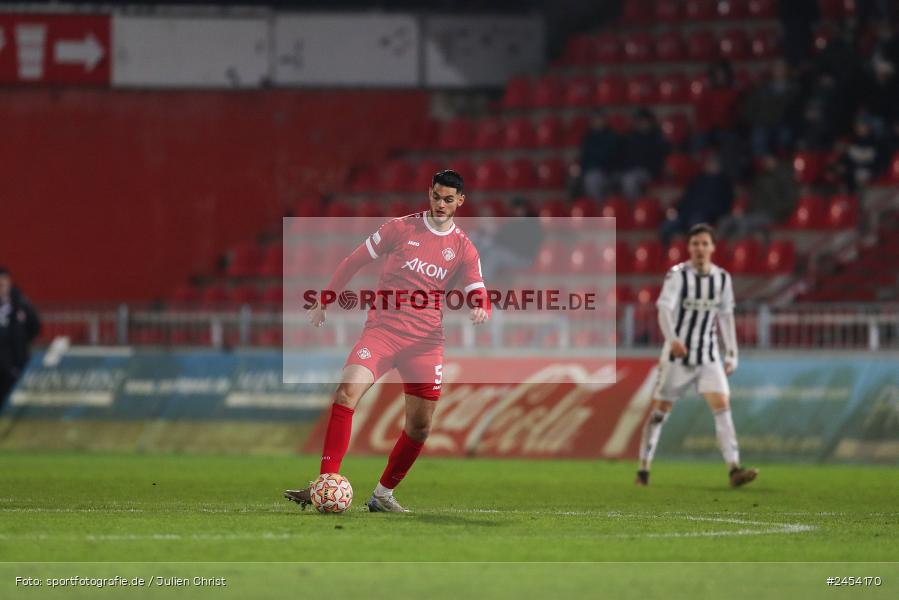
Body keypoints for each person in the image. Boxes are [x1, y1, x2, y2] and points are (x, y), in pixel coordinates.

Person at [284, 170, 491, 512]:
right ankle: (324, 483)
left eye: (448, 199)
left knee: (420, 427)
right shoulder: (401, 228)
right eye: (436, 196)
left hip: (425, 343)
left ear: (460, 202)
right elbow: (354, 260)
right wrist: (325, 299)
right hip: (382, 332)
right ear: (429, 193)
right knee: (347, 392)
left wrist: (481, 306)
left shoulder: (463, 248)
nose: (441, 204)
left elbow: (476, 286)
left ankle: (382, 495)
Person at [636, 224, 757, 488]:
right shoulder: (678, 276)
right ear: (688, 248)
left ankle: (734, 469)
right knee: (659, 414)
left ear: (713, 247)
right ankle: (643, 468)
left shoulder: (722, 279)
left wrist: (732, 353)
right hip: (677, 357)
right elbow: (663, 309)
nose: (699, 248)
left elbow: (725, 316)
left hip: (708, 355)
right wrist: (673, 340)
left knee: (722, 407)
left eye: (704, 243)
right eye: (695, 244)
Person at [718, 154, 798, 244]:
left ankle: (741, 251)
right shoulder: (761, 176)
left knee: (744, 223)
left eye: (769, 158)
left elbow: (789, 201)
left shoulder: (785, 178)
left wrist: (775, 211)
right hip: (756, 213)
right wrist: (747, 211)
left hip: (773, 214)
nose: (766, 161)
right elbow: (754, 199)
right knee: (724, 221)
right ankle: (719, 252)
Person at [660, 153, 734, 246]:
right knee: (667, 226)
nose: (709, 165)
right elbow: (687, 198)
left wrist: (712, 213)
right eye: (709, 162)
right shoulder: (698, 179)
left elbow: (724, 204)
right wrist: (677, 210)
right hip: (686, 213)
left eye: (712, 163)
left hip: (706, 215)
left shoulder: (724, 182)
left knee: (696, 224)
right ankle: (669, 253)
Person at [0, 267, 41, 408]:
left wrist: (22, 341)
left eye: (4, 283)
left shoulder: (21, 304)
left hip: (17, 361)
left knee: (16, 401)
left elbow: (35, 326)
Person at [619, 109, 669, 199]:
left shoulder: (657, 137)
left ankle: (636, 207)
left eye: (645, 121)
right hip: (630, 170)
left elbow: (659, 159)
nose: (642, 123)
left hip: (648, 171)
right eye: (640, 121)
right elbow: (623, 157)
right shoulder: (630, 137)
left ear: (650, 122)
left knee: (629, 180)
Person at [577, 110, 621, 200]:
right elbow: (584, 159)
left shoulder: (612, 137)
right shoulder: (588, 138)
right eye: (595, 120)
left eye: (599, 119)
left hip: (609, 172)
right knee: (588, 178)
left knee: (593, 179)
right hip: (592, 171)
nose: (597, 122)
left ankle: (598, 208)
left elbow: (614, 158)